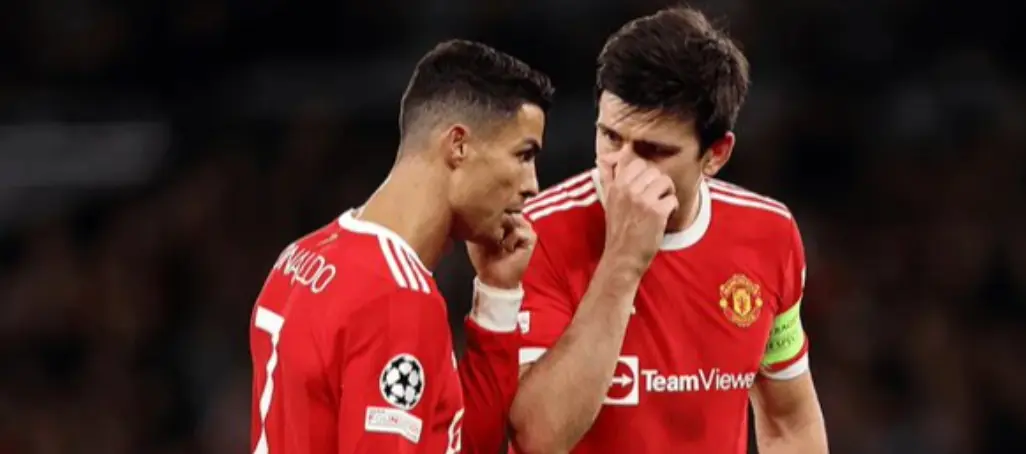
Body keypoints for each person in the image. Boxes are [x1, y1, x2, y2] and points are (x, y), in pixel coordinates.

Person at [476, 7, 828, 453]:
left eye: (653, 151)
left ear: (716, 155)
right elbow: (536, 438)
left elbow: (789, 423)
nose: (621, 169)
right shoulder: (535, 235)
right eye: (610, 138)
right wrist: (623, 262)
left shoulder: (769, 235)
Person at [248, 39, 553, 454]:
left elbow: (452, 441)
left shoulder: (302, 256)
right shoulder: (397, 298)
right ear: (458, 146)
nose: (532, 185)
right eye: (523, 155)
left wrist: (498, 294)